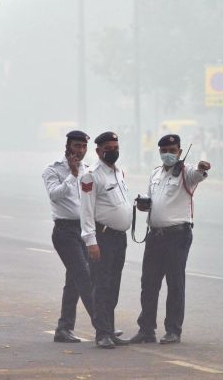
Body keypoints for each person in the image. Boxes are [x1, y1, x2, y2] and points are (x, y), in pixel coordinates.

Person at [130, 134, 211, 344]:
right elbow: (152, 200)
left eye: (172, 151)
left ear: (180, 152)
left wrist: (203, 167)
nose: (168, 154)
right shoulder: (155, 173)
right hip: (155, 236)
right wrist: (143, 206)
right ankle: (146, 330)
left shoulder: (186, 172)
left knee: (175, 283)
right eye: (164, 151)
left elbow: (199, 173)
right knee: (148, 284)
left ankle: (173, 330)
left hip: (177, 236)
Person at [42, 130, 109, 344]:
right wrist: (71, 175)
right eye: (76, 146)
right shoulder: (53, 169)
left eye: (83, 147)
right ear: (68, 146)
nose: (79, 151)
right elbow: (55, 195)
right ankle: (103, 327)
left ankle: (64, 328)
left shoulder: (88, 170)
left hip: (84, 231)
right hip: (64, 232)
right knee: (85, 277)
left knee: (74, 281)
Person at [80, 131, 133, 349]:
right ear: (98, 150)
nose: (113, 150)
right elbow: (86, 210)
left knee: (113, 286)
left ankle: (110, 329)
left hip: (119, 238)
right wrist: (91, 241)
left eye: (115, 146)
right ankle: (102, 333)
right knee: (101, 286)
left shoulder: (118, 172)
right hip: (102, 238)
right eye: (108, 148)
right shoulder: (91, 175)